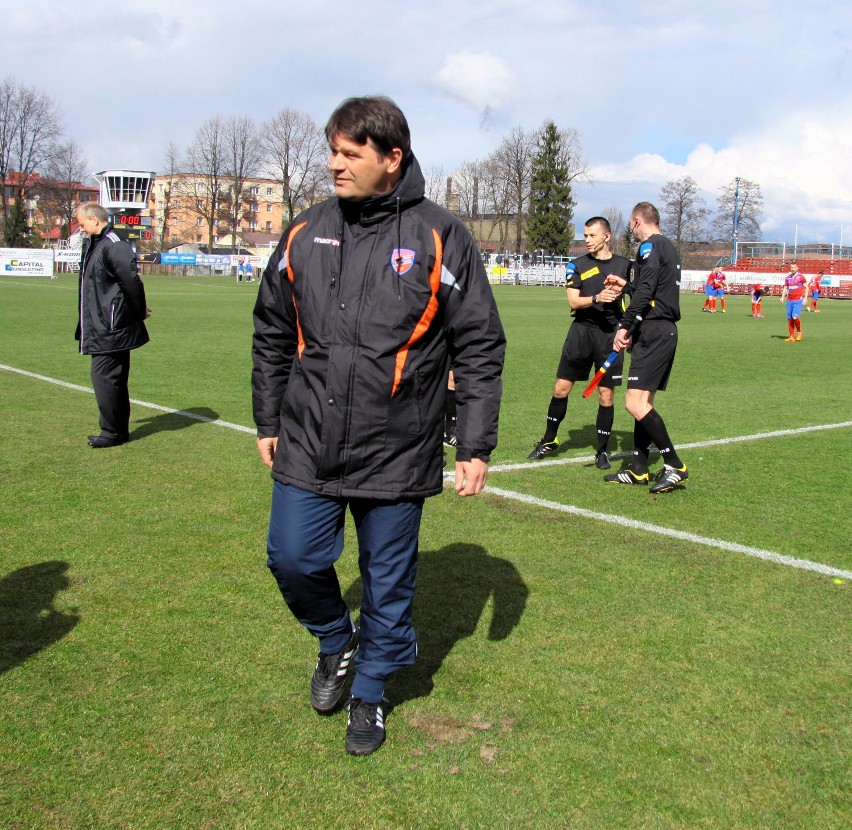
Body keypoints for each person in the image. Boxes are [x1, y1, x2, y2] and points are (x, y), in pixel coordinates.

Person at [251, 96, 506, 756]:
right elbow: (272, 328)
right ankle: (337, 641)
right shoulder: (305, 231)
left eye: (350, 153)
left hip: (398, 445)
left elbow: (478, 343)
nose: (335, 164)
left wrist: (475, 441)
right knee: (293, 557)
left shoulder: (441, 236)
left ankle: (368, 694)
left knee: (388, 586)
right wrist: (266, 416)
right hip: (307, 435)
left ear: (392, 159)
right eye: (332, 151)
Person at [527, 217, 631, 469]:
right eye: (585, 235)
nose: (587, 240)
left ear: (606, 236)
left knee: (606, 395)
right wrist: (597, 297)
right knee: (561, 388)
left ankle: (602, 451)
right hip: (581, 333)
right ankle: (549, 440)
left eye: (592, 235)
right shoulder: (577, 265)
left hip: (610, 336)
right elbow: (573, 301)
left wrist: (628, 327)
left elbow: (637, 296)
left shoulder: (626, 266)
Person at [604, 202, 688, 493]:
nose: (631, 229)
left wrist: (625, 326)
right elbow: (652, 289)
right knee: (644, 404)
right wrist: (626, 285)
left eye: (631, 224)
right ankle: (639, 469)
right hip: (660, 330)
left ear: (638, 221)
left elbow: (648, 290)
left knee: (634, 403)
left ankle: (674, 464)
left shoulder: (648, 247)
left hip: (654, 331)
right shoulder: (669, 247)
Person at [75, 203, 150, 448]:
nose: (81, 228)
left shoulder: (114, 244)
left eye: (83, 223)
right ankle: (115, 430)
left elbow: (131, 281)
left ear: (95, 220)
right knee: (110, 379)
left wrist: (138, 311)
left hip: (111, 326)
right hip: (102, 324)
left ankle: (113, 432)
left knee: (105, 379)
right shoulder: (95, 244)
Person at [780, 261, 807, 341]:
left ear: (797, 268)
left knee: (795, 317)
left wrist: (805, 298)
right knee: (790, 319)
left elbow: (807, 287)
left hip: (797, 300)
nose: (793, 269)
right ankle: (791, 336)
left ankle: (799, 332)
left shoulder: (801, 277)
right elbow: (785, 288)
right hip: (789, 300)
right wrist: (783, 297)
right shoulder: (787, 278)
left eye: (794, 267)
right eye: (791, 267)